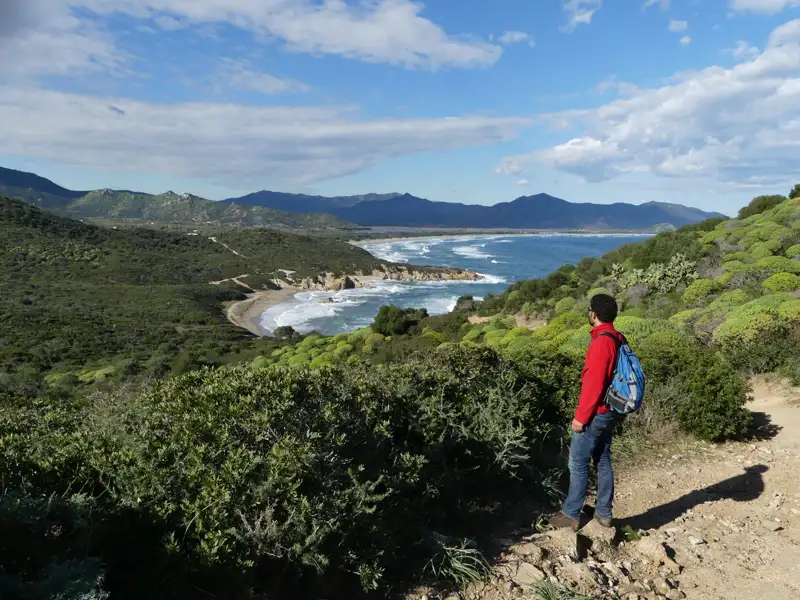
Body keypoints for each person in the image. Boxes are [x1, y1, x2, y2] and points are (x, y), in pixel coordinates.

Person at [549, 293, 623, 531]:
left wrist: (581, 417)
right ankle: (603, 513)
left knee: (578, 462)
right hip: (611, 409)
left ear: (594, 314)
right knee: (602, 460)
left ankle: (571, 515)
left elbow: (594, 384)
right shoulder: (617, 337)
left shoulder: (602, 341)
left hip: (597, 412)